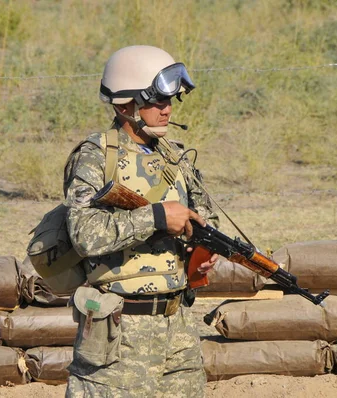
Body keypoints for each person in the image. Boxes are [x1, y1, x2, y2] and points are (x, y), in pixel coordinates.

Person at [63, 45, 219, 398]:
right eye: (156, 100)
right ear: (124, 105)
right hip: (120, 333)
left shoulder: (175, 156)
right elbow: (85, 236)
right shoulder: (95, 157)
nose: (167, 108)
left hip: (178, 330)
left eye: (170, 100)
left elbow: (203, 218)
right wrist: (157, 216)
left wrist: (203, 251)